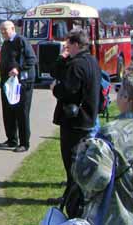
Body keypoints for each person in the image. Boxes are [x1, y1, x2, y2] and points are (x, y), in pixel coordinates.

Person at [63, 71, 133, 224]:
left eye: (119, 90)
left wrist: (81, 155)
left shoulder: (111, 134)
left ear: (126, 98)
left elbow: (91, 180)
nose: (117, 94)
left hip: (114, 217)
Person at [52, 29, 101, 197]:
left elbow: (67, 90)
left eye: (68, 45)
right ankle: (73, 195)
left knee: (72, 160)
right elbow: (57, 71)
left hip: (75, 120)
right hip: (88, 118)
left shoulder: (77, 65)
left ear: (76, 45)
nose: (66, 48)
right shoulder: (91, 60)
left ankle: (74, 198)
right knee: (79, 159)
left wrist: (55, 88)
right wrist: (62, 58)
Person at [0, 20, 37, 152]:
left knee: (22, 112)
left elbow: (32, 59)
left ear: (13, 28)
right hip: (8, 83)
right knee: (8, 112)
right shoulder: (6, 43)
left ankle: (24, 143)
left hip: (23, 83)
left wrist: (18, 70)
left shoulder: (21, 41)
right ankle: (11, 139)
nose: (3, 32)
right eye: (2, 30)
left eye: (5, 30)